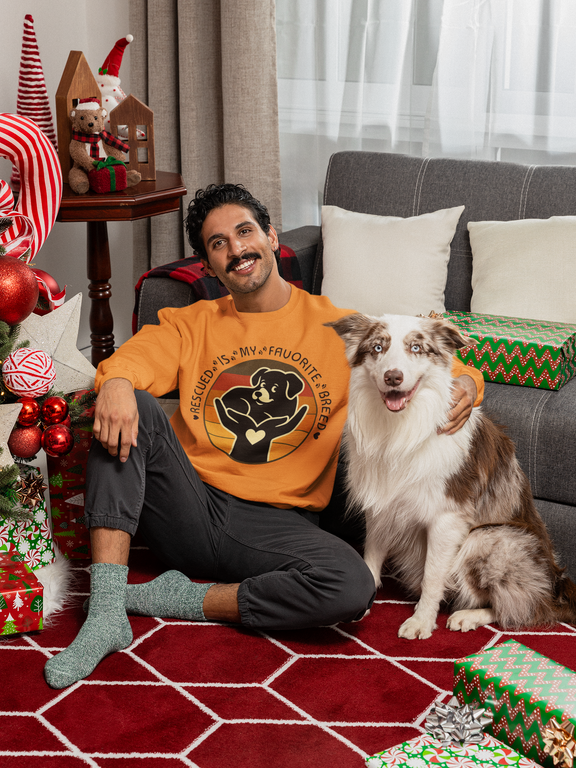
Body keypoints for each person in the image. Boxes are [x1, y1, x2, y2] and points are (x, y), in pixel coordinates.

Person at [44, 184, 484, 689]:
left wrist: (471, 382)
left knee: (352, 586)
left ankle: (181, 599)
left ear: (273, 238)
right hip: (189, 506)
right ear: (209, 266)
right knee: (129, 404)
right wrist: (117, 381)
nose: (236, 249)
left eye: (245, 231)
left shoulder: (334, 326)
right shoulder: (192, 323)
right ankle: (104, 613)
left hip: (274, 527)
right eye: (218, 243)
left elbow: (425, 361)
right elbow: (135, 359)